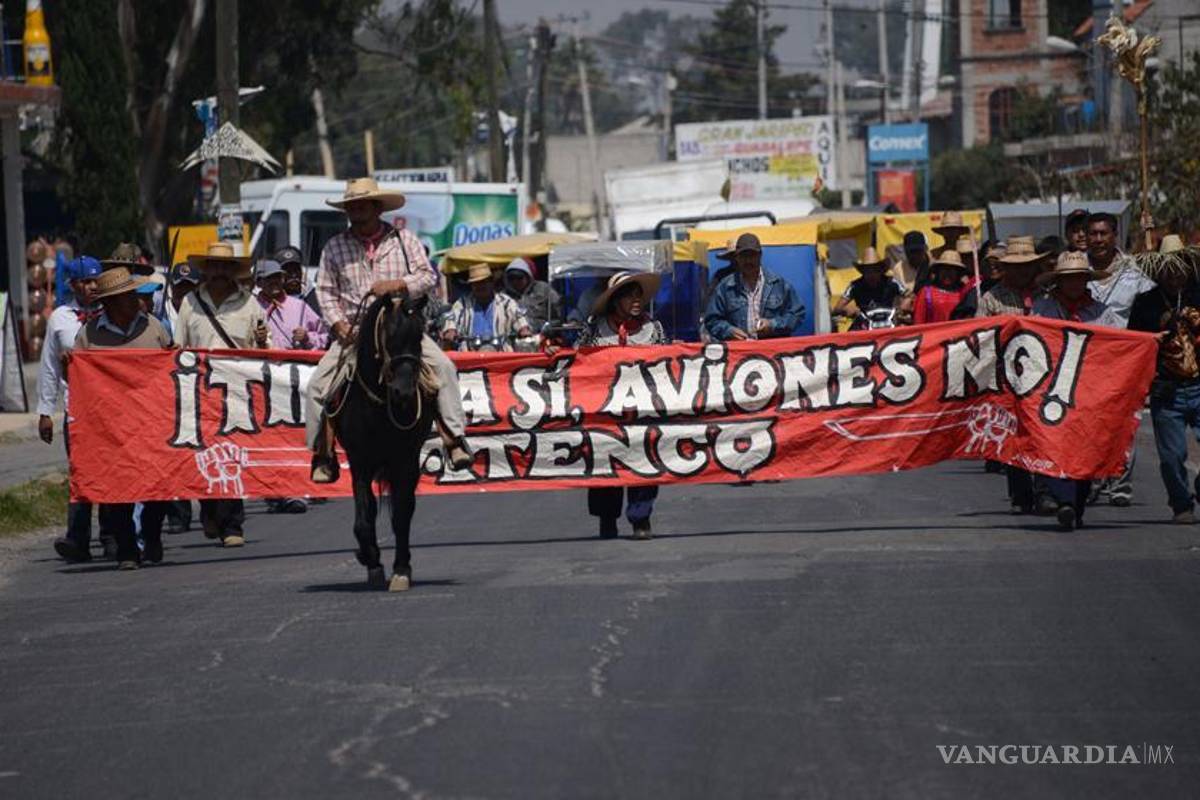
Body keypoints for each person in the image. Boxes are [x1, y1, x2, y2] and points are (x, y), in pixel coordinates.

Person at [307, 178, 472, 482]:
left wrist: (398, 284)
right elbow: (325, 291)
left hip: (400, 328)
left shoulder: (404, 240)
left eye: (362, 204)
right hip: (354, 333)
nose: (355, 210)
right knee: (317, 387)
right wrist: (338, 324)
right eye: (351, 205)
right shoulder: (334, 246)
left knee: (445, 368)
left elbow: (427, 277)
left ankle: (454, 439)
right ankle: (323, 454)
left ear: (376, 207)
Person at [73, 267, 173, 569]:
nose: (136, 301)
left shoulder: (153, 327)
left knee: (160, 485)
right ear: (112, 302)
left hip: (152, 422)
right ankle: (127, 549)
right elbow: (77, 380)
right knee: (116, 490)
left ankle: (152, 534)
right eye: (129, 296)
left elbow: (172, 363)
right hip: (110, 427)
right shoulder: (88, 335)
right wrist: (70, 365)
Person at [176, 243, 269, 547]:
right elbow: (178, 349)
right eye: (213, 266)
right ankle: (210, 512)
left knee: (232, 455)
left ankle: (233, 524)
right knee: (202, 454)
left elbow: (266, 350)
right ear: (206, 269)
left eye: (224, 267)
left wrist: (262, 342)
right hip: (198, 391)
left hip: (237, 392)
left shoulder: (251, 304)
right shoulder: (190, 302)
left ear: (233, 271)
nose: (218, 272)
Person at [1031, 252, 1121, 531]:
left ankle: (1075, 504)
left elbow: (1118, 346)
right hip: (1052, 390)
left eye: (1079, 278)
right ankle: (1064, 500)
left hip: (1089, 391)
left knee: (1084, 449)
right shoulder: (1042, 309)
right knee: (1055, 445)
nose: (1074, 283)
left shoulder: (1101, 312)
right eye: (1069, 279)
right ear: (1059, 280)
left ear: (1086, 280)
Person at [578, 272, 668, 540]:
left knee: (644, 460)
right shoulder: (595, 330)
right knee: (605, 461)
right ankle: (607, 518)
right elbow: (578, 361)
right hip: (604, 410)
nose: (636, 300)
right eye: (629, 295)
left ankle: (641, 518)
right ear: (615, 300)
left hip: (643, 409)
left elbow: (668, 366)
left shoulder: (655, 330)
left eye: (639, 295)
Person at [1129, 235, 1200, 524]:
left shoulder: (1198, 294)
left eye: (1180, 266)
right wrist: (1156, 333)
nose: (1174, 273)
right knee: (1172, 457)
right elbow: (1135, 343)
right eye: (1168, 268)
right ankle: (1181, 503)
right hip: (1166, 390)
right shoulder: (1146, 303)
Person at [978, 236, 1050, 513]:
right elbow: (980, 339)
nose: (1021, 272)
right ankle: (1020, 493)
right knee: (1014, 436)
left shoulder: (1047, 296)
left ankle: (1045, 489)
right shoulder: (991, 299)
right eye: (1016, 267)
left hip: (1043, 376)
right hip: (1006, 378)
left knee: (1043, 433)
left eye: (1026, 266)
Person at [1086, 212, 1153, 507]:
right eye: (1093, 234)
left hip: (1125, 361)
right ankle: (1093, 476)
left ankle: (1121, 481)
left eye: (1104, 233)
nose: (1098, 239)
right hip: (1087, 361)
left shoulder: (1135, 274)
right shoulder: (1076, 273)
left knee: (1124, 423)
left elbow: (1151, 310)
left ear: (1115, 236)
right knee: (1090, 424)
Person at [40, 256, 103, 563]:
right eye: (86, 281)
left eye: (96, 281)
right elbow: (49, 367)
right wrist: (45, 412)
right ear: (73, 284)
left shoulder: (112, 314)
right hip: (76, 410)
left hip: (112, 409)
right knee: (81, 473)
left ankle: (115, 536)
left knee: (113, 471)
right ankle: (78, 539)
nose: (92, 287)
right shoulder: (60, 319)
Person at [704, 232, 805, 341]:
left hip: (770, 352)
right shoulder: (725, 287)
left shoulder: (778, 285)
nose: (748, 260)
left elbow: (797, 314)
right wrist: (728, 331)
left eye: (752, 255)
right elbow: (712, 320)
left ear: (760, 255)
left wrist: (773, 325)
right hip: (739, 353)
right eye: (744, 256)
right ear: (737, 257)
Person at [441, 262, 532, 350]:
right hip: (469, 352)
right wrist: (450, 330)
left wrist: (523, 329)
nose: (480, 286)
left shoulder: (506, 302)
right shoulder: (462, 303)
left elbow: (518, 316)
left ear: (491, 282)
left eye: (484, 282)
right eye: (476, 283)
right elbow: (451, 317)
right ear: (471, 285)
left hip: (501, 351)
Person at [256, 259, 328, 351]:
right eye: (268, 278)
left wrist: (307, 338)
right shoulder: (253, 306)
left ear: (282, 279)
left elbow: (325, 338)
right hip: (258, 363)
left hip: (294, 362)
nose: (274, 281)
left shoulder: (300, 306)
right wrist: (257, 340)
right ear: (258, 283)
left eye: (277, 277)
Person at [832, 247, 905, 328]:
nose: (871, 274)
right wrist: (847, 310)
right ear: (863, 271)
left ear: (880, 269)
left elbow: (909, 296)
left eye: (875, 269)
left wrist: (902, 307)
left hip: (889, 324)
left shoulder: (892, 282)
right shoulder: (855, 286)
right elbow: (837, 308)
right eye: (868, 270)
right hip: (864, 326)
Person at [502, 257, 560, 334]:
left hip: (543, 336)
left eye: (519, 277)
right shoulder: (503, 297)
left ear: (528, 276)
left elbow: (558, 314)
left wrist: (547, 328)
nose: (515, 281)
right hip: (515, 338)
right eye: (511, 278)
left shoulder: (544, 289)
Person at [913, 249, 972, 324]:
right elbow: (918, 322)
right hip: (932, 335)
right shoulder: (926, 293)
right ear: (938, 271)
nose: (948, 273)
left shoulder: (964, 294)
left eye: (952, 270)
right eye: (944, 269)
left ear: (958, 273)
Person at [274, 245, 322, 316]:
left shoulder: (317, 296)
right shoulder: (272, 300)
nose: (293, 275)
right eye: (288, 271)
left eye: (296, 269)